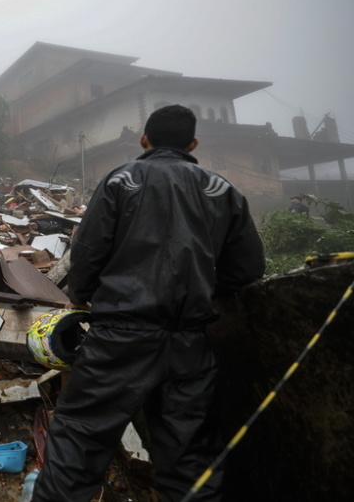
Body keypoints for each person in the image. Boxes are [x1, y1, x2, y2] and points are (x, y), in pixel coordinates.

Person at [33, 105, 265, 502]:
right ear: (193, 144)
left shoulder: (122, 180)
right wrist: (203, 289)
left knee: (79, 442)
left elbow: (87, 251)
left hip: (119, 339)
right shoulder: (222, 190)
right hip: (188, 344)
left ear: (144, 139)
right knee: (191, 457)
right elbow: (248, 268)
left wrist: (82, 294)